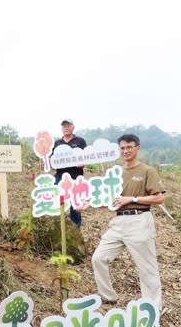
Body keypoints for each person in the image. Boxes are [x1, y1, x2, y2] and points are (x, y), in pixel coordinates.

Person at [91, 134, 165, 310]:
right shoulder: (116, 173)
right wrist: (89, 204)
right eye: (122, 148)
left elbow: (159, 198)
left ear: (137, 148)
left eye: (129, 147)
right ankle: (108, 297)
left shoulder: (147, 171)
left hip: (139, 220)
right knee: (98, 258)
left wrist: (132, 198)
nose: (125, 151)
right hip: (118, 222)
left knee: (147, 267)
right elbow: (110, 198)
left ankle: (153, 308)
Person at [52, 119, 87, 227]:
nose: (66, 127)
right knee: (56, 198)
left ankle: (75, 228)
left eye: (68, 125)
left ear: (73, 127)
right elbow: (52, 159)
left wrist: (83, 163)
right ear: (62, 128)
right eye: (64, 126)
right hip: (60, 176)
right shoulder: (57, 143)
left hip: (76, 176)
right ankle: (58, 225)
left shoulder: (80, 141)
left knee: (75, 202)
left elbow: (86, 157)